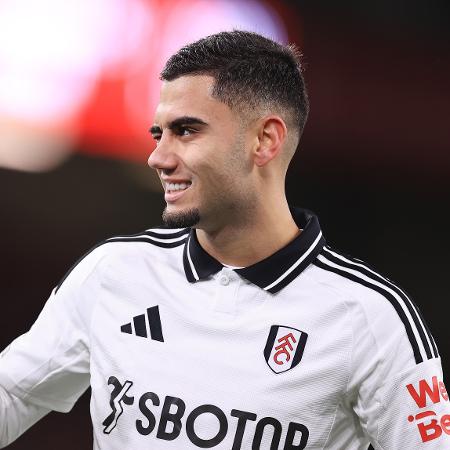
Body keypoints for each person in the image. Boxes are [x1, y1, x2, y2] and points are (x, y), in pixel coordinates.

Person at [0, 30, 448, 450]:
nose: (158, 156)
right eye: (159, 133)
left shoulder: (370, 318)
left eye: (187, 131)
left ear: (265, 140)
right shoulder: (114, 271)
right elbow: (14, 393)